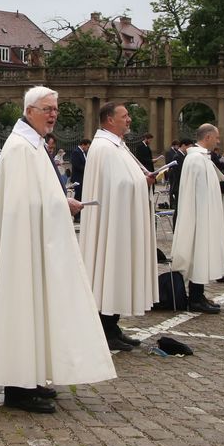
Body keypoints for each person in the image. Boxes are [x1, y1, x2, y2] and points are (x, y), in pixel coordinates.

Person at [0, 87, 116, 414]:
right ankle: (18, 387)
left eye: (56, 109)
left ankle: (32, 378)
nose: (53, 114)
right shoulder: (21, 147)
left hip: (37, 243)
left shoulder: (32, 144)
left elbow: (37, 194)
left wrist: (61, 201)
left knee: (36, 310)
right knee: (22, 309)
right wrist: (57, 204)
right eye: (47, 109)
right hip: (23, 249)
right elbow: (21, 206)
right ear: (30, 110)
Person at [79, 102, 158, 350]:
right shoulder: (104, 147)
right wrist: (139, 181)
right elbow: (117, 185)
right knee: (109, 268)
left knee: (118, 269)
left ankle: (113, 326)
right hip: (111, 222)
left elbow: (125, 179)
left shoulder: (117, 146)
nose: (129, 119)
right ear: (110, 120)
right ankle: (106, 328)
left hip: (121, 218)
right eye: (125, 116)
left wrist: (143, 179)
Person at [171, 124, 224, 313]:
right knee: (197, 255)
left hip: (205, 214)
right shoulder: (195, 160)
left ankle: (198, 294)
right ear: (208, 137)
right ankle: (194, 298)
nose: (218, 141)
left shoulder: (202, 159)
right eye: (216, 138)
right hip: (198, 216)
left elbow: (211, 186)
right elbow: (196, 191)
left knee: (202, 254)